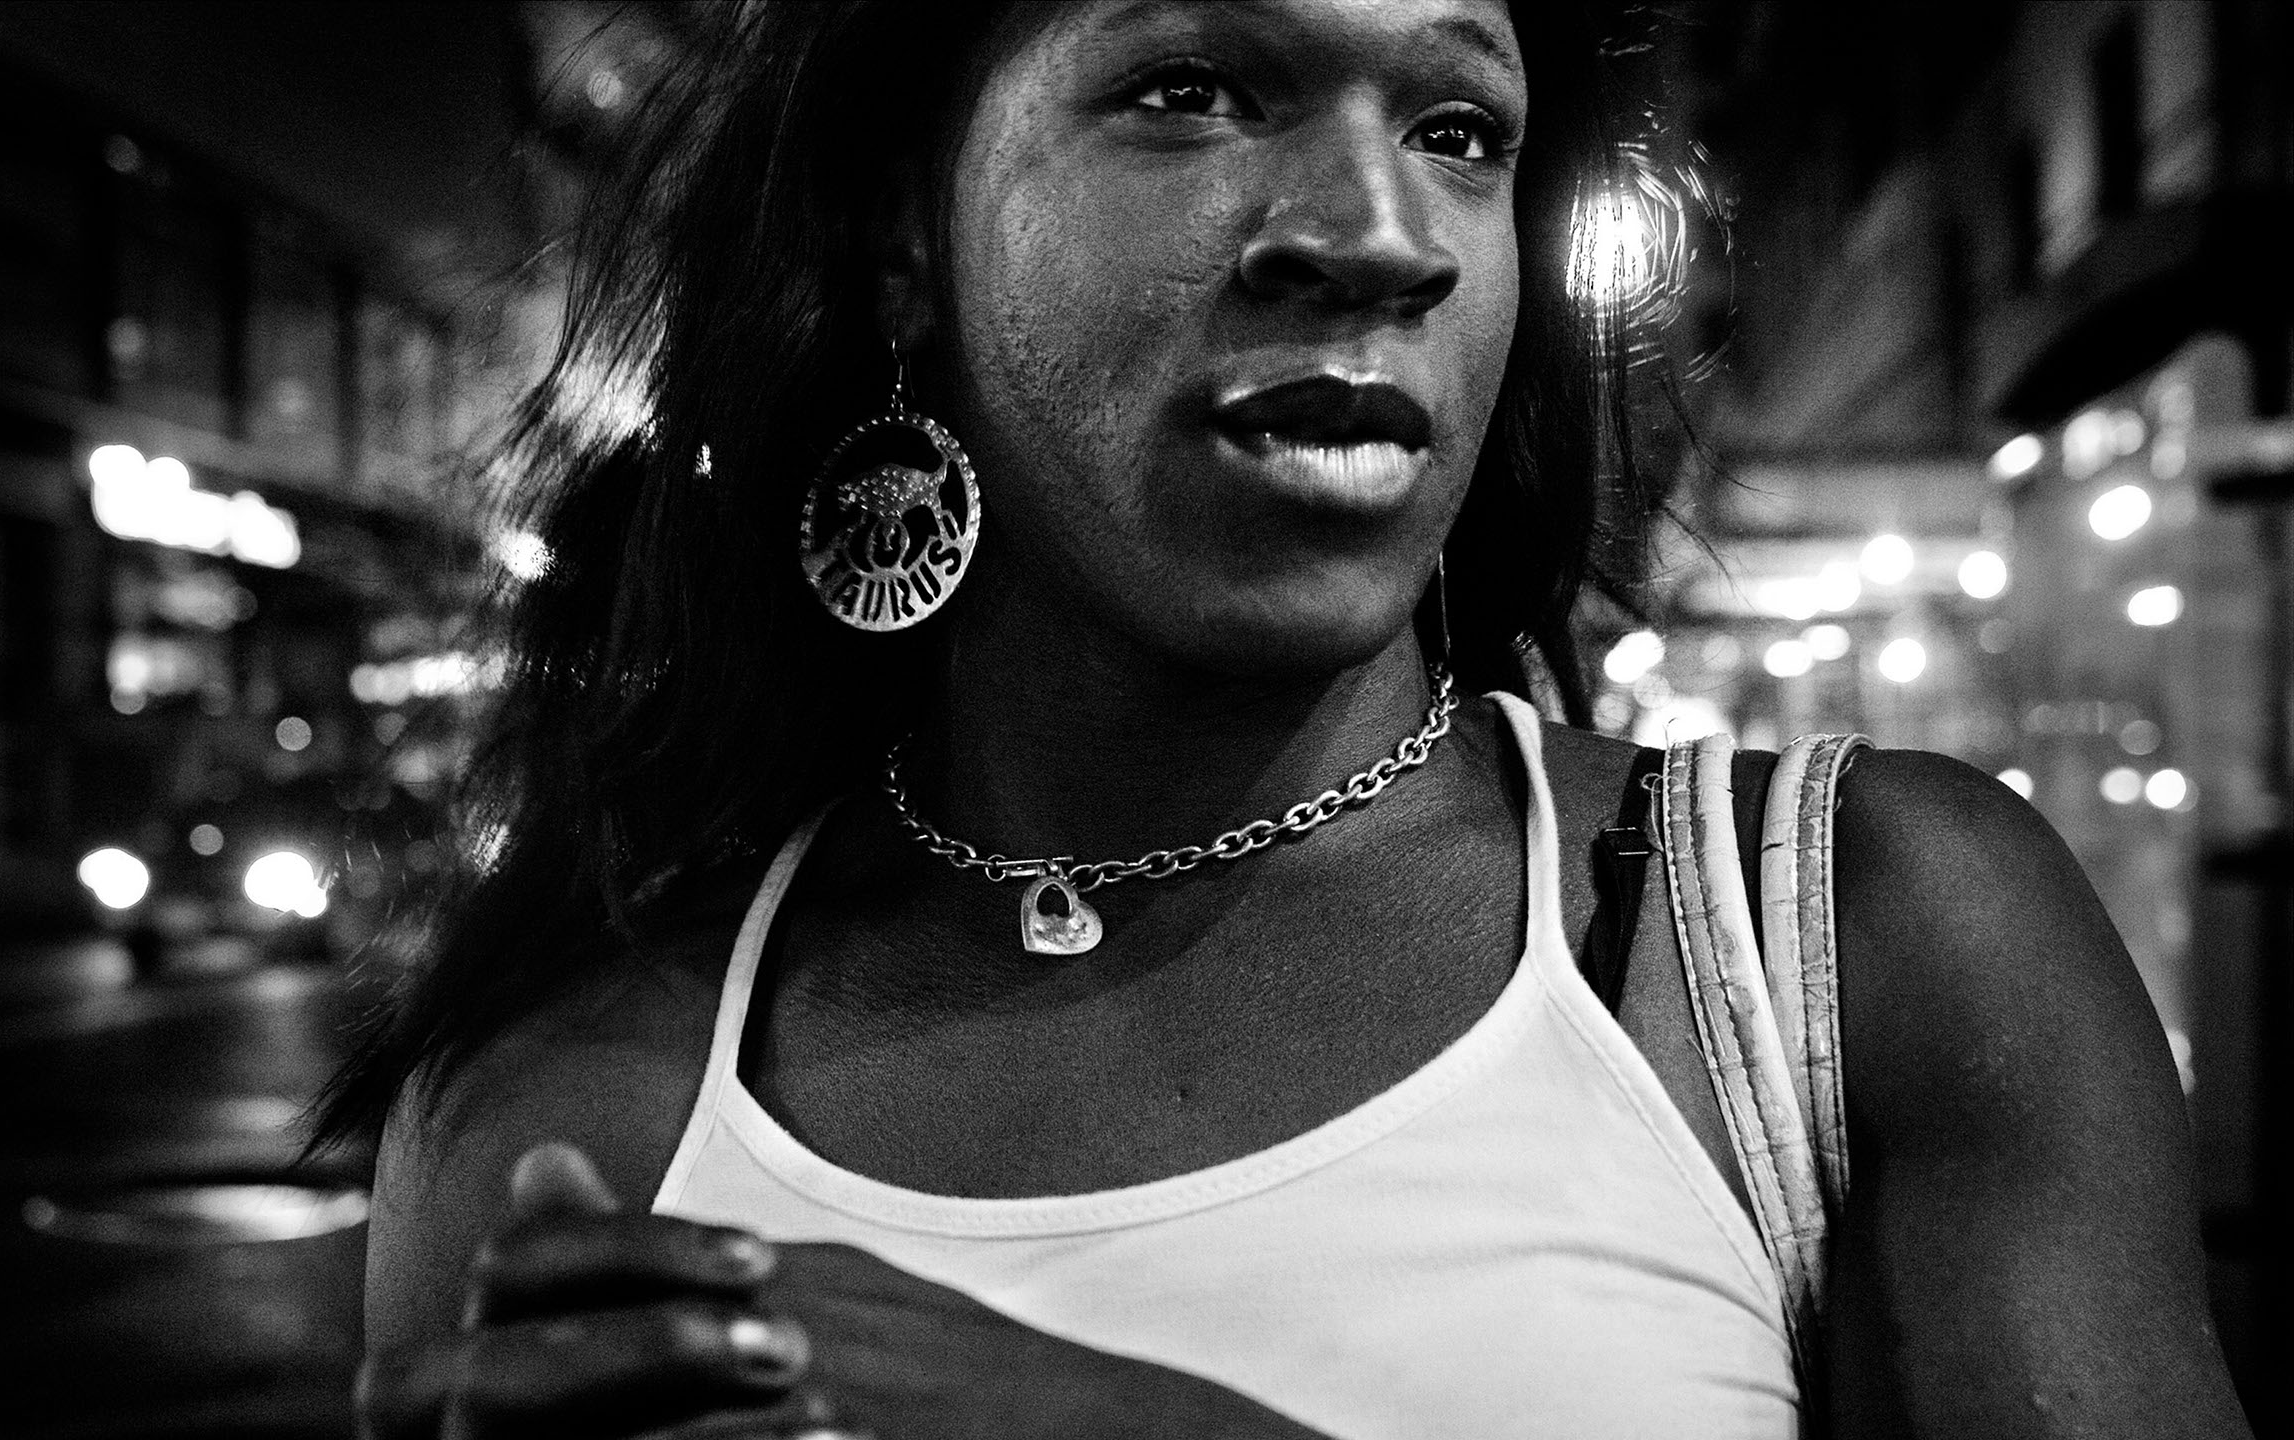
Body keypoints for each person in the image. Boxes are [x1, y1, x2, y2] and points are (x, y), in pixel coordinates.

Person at [325, 2, 2253, 1436]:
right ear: (902, 239)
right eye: (1193, 91)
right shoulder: (563, 1105)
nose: (1377, 227)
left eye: (1458, 128)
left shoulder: (1853, 937)